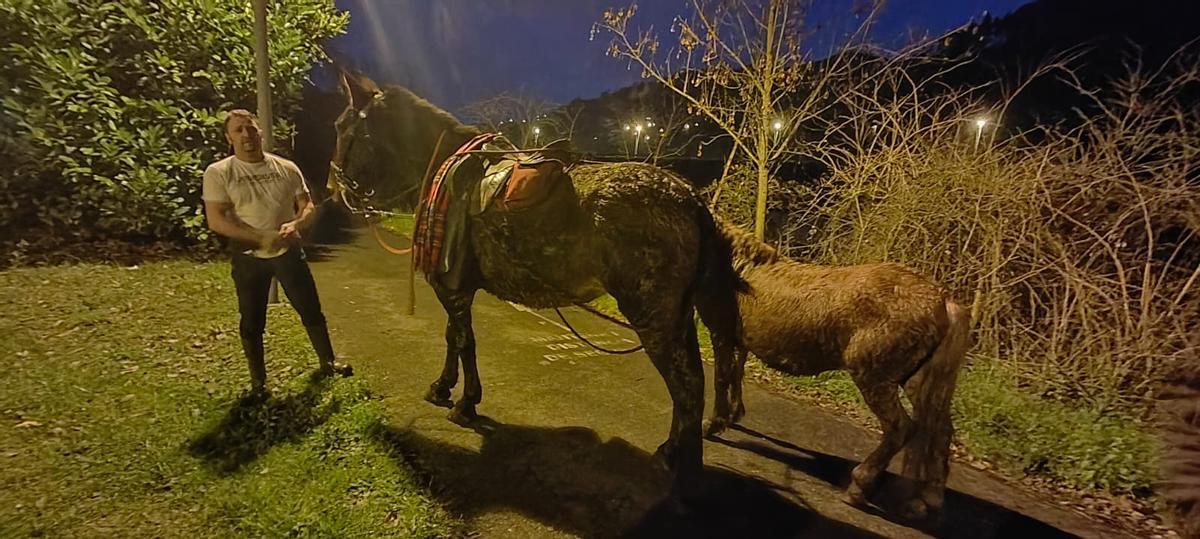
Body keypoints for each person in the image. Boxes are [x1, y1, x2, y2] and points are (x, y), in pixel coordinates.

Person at [202, 109, 351, 400]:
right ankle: (259, 383)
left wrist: (296, 224)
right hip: (248, 257)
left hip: (287, 252)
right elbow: (216, 220)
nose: (247, 135)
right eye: (239, 130)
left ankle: (328, 362)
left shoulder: (285, 167)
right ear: (229, 138)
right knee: (251, 320)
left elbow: (307, 204)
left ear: (260, 133)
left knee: (310, 309)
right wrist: (259, 237)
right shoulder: (219, 172)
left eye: (251, 129)